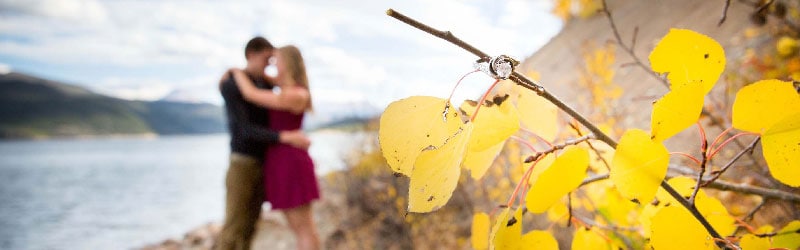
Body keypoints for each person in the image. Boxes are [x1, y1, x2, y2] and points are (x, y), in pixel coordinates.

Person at [216, 37, 311, 250]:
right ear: (251, 55)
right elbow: (243, 129)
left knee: (250, 225)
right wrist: (285, 137)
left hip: (265, 163)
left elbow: (272, 87)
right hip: (244, 162)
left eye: (273, 60)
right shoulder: (234, 85)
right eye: (267, 59)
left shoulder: (262, 83)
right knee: (235, 225)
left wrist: (235, 70)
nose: (270, 65)